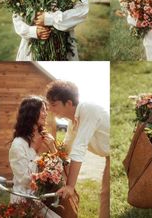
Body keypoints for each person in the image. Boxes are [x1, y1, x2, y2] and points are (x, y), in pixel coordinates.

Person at [46, 80, 110, 218]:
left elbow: (78, 149)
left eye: (54, 104)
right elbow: (66, 149)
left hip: (118, 151)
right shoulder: (72, 122)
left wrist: (70, 186)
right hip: (109, 155)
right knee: (106, 194)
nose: (50, 109)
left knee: (107, 193)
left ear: (69, 103)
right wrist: (51, 146)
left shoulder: (88, 110)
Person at [9, 96, 60, 218]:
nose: (46, 114)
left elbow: (58, 169)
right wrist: (35, 150)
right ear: (31, 113)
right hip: (23, 201)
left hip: (40, 198)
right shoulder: (18, 144)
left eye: (45, 110)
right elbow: (26, 180)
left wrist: (53, 148)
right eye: (42, 110)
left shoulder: (46, 139)